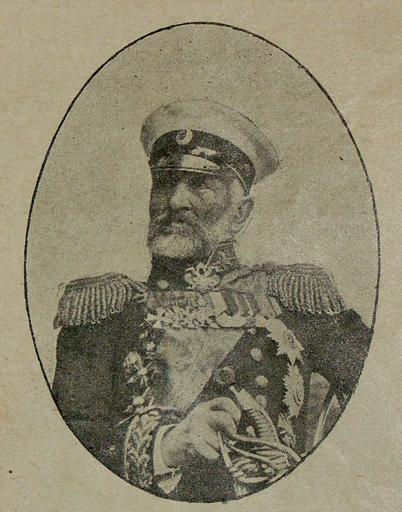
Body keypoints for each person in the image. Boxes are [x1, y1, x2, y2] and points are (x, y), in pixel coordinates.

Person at [52, 99, 371, 502]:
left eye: (200, 185)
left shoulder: (293, 301)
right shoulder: (103, 314)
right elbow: (67, 446)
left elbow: (384, 388)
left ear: (241, 214)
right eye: (165, 183)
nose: (175, 201)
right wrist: (165, 447)